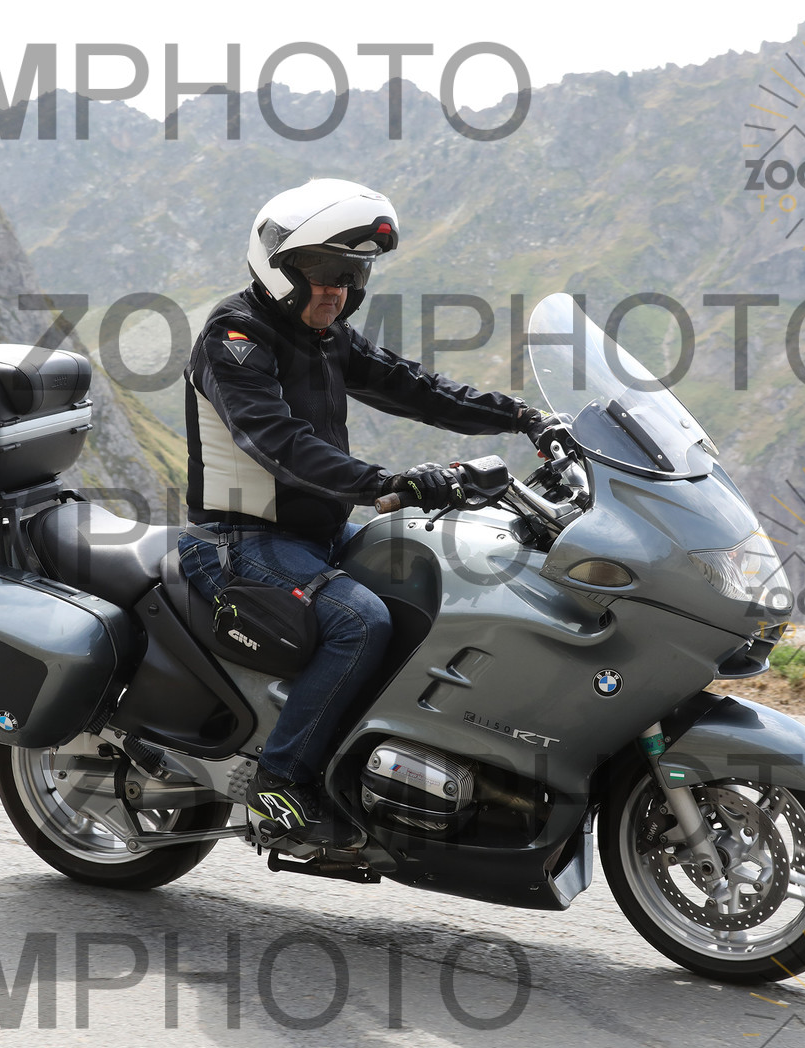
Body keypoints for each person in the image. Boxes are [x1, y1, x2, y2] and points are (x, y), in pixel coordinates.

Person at [178, 178, 573, 845]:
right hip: (240, 540)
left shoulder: (327, 336)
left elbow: (416, 387)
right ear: (279, 266)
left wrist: (525, 418)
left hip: (318, 535)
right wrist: (387, 483)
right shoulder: (236, 336)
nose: (337, 289)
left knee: (452, 582)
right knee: (360, 622)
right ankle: (280, 784)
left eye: (351, 274)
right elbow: (277, 442)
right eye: (323, 270)